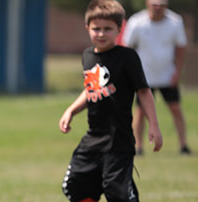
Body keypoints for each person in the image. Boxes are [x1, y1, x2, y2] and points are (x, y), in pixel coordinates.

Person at [58, 0, 163, 201]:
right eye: (96, 29)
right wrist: (70, 110)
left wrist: (154, 125)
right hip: (93, 139)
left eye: (108, 29)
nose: (101, 33)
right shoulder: (87, 56)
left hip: (119, 141)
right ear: (87, 27)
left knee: (119, 194)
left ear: (119, 29)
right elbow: (91, 90)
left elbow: (143, 92)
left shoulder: (127, 57)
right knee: (75, 186)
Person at [122, 0, 189, 155]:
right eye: (155, 5)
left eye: (162, 5)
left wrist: (177, 72)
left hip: (167, 75)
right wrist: (130, 74)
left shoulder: (175, 22)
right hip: (143, 76)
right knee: (140, 111)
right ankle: (138, 146)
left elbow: (180, 48)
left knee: (176, 108)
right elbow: (128, 48)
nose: (158, 8)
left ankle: (183, 145)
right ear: (147, 4)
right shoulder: (136, 22)